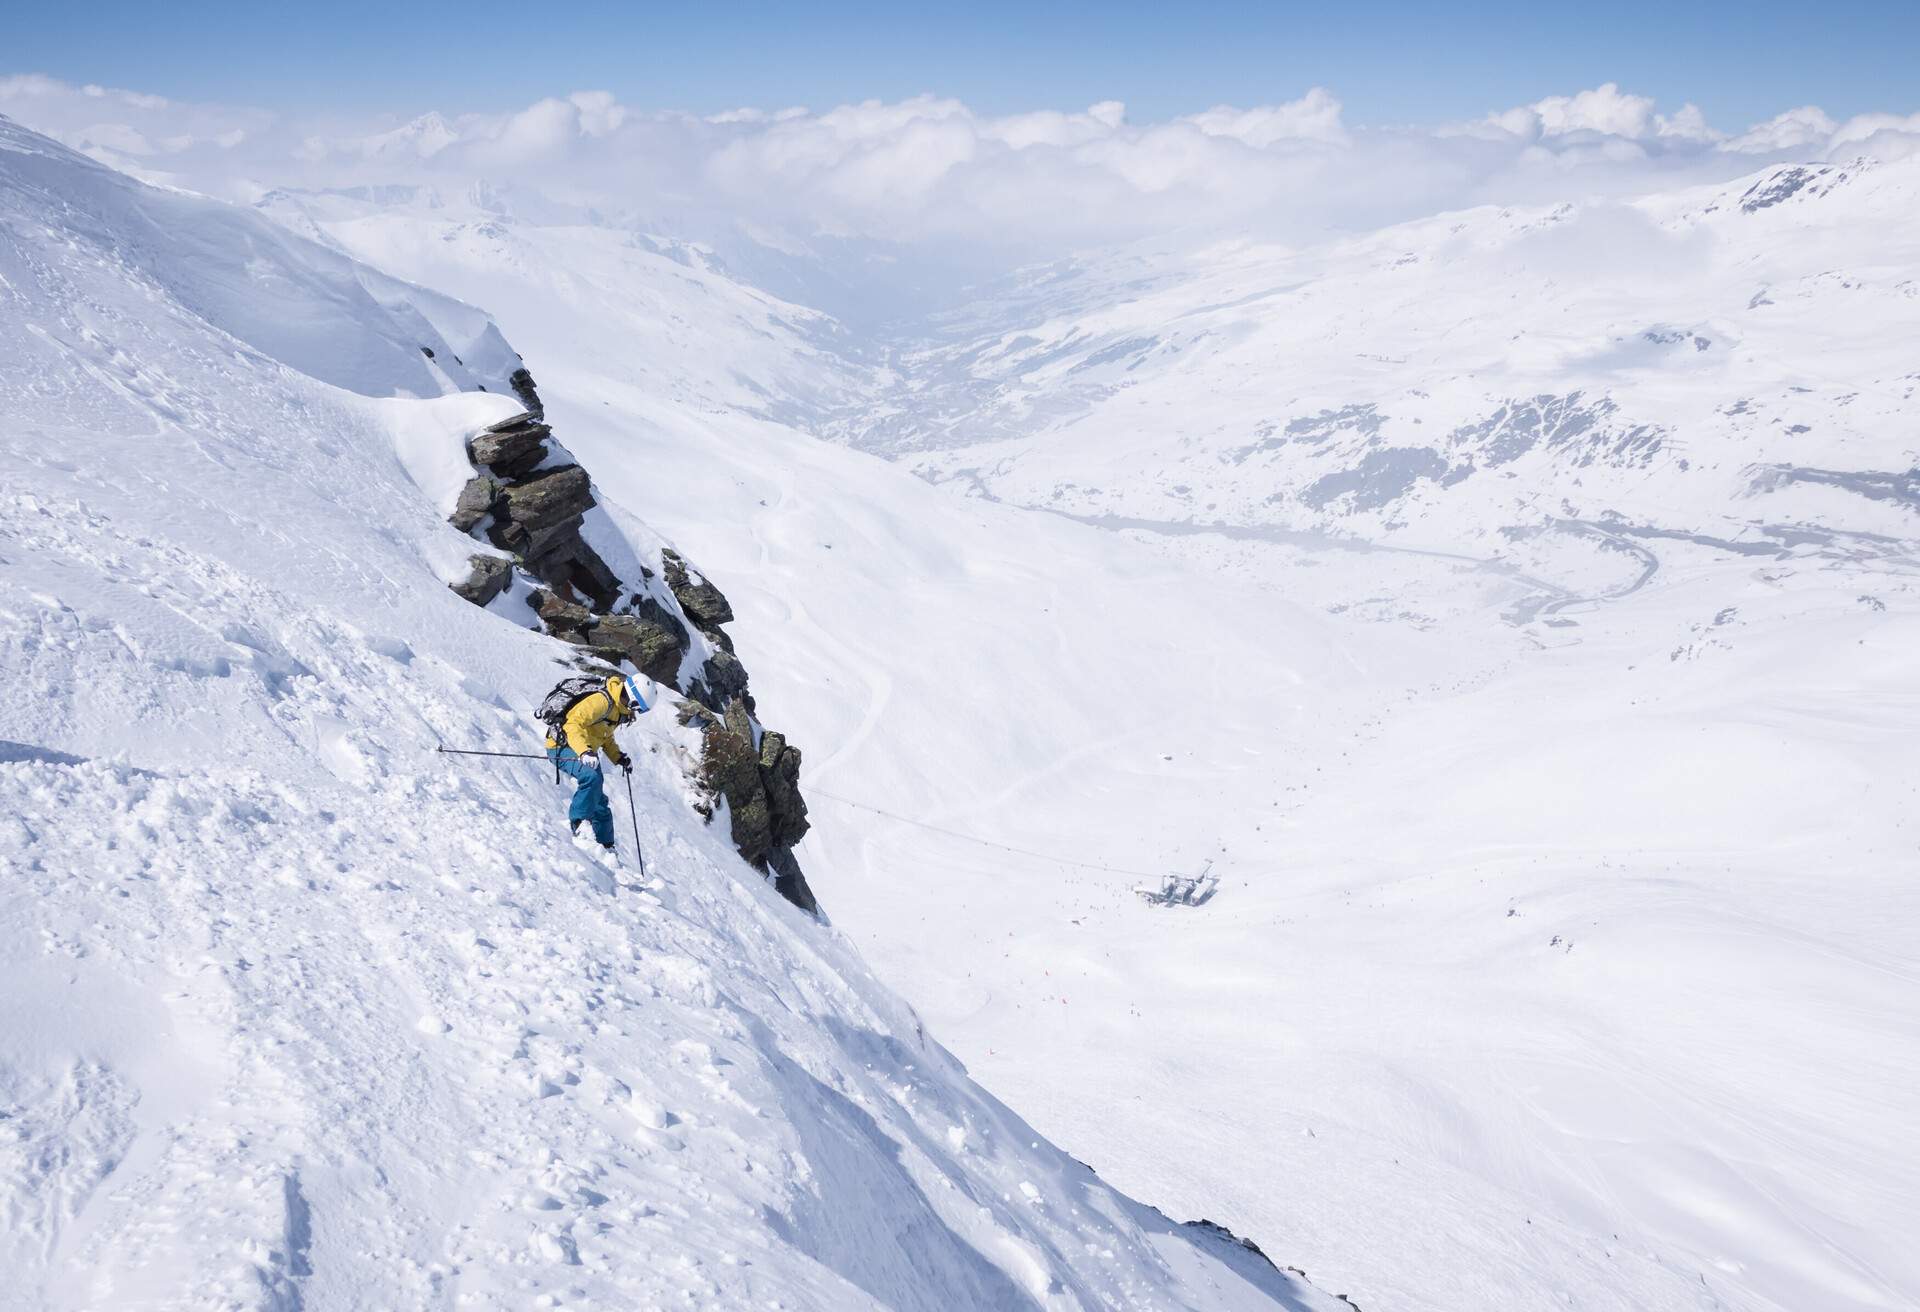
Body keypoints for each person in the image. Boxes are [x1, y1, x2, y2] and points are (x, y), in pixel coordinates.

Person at [545, 673, 649, 849]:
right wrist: (584, 751)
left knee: (599, 801)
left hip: (582, 751)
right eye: (638, 707)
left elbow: (605, 737)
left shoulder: (616, 709)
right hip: (561, 747)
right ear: (633, 699)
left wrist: (618, 757)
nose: (635, 711)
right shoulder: (602, 701)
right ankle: (579, 825)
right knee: (592, 778)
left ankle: (606, 845)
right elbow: (572, 725)